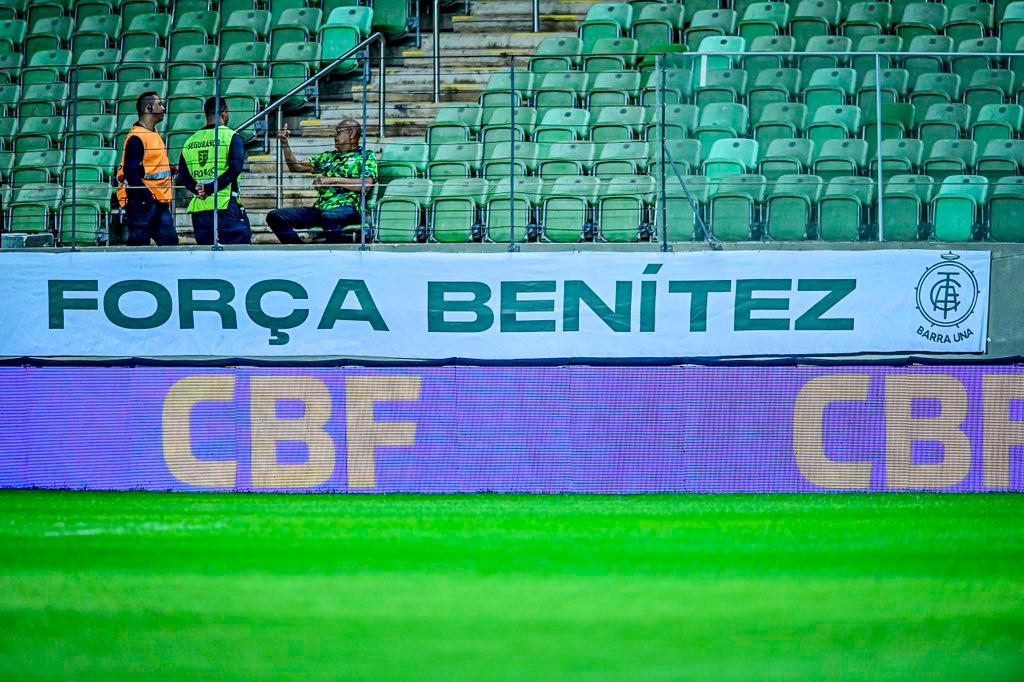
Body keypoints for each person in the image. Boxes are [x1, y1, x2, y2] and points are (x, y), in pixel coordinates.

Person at [266, 119, 378, 244]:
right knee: (275, 216)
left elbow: (366, 184)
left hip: (348, 209)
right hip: (320, 210)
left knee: (329, 216)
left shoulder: (366, 156)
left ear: (351, 133)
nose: (334, 135)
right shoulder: (328, 157)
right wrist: (285, 144)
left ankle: (334, 253)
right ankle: (300, 250)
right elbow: (296, 166)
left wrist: (331, 180)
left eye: (338, 131)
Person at [177, 97, 251, 245]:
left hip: (200, 208)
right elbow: (234, 169)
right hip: (225, 205)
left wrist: (198, 190)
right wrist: (210, 188)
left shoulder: (190, 141)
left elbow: (183, 175)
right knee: (237, 253)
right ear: (224, 113)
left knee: (206, 257)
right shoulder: (231, 136)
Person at [116, 91, 178, 246]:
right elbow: (132, 172)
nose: (163, 108)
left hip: (157, 200)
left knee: (169, 242)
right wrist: (147, 198)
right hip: (144, 202)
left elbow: (147, 167)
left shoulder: (152, 133)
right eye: (159, 104)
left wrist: (170, 169)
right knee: (139, 245)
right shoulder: (137, 137)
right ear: (148, 109)